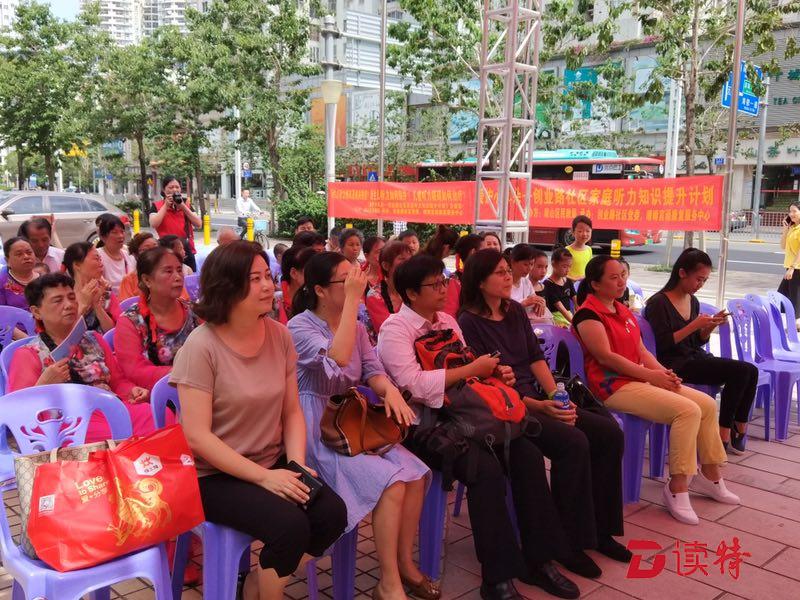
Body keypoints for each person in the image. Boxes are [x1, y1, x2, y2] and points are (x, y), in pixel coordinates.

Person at [378, 254, 582, 600]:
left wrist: (494, 373)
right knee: (485, 471)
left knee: (527, 454)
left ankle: (539, 559)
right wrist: (473, 370)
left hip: (470, 415)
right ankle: (497, 578)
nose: (444, 289)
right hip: (426, 426)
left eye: (444, 282)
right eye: (435, 285)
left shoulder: (446, 321)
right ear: (411, 293)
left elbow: (469, 369)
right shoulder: (395, 330)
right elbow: (414, 386)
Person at [171, 241, 347, 600]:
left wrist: (295, 463)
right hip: (213, 476)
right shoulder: (201, 347)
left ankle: (253, 587)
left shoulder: (279, 335)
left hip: (270, 460)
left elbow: (292, 411)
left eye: (268, 275)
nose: (268, 285)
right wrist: (265, 477)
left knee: (332, 514)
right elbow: (197, 437)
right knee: (289, 526)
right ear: (227, 285)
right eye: (255, 279)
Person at [458, 250, 629, 578]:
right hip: (508, 407)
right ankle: (570, 540)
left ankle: (600, 530)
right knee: (573, 442)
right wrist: (539, 406)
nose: (508, 277)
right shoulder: (468, 323)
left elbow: (536, 358)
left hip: (537, 396)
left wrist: (556, 397)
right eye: (500, 273)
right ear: (480, 282)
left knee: (608, 433)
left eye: (507, 271)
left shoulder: (513, 311)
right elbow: (489, 383)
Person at [288, 252, 436, 600]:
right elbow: (338, 358)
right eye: (347, 280)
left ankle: (403, 563)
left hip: (350, 421)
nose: (357, 283)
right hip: (314, 428)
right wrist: (355, 299)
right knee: (391, 482)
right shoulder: (299, 327)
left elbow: (373, 369)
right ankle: (389, 583)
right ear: (320, 290)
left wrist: (390, 393)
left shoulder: (355, 326)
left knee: (415, 474)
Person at [573, 255, 738, 526]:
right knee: (687, 411)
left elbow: (641, 351)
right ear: (595, 284)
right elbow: (606, 358)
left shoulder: (621, 309)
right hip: (612, 386)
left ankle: (711, 476)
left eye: (623, 275)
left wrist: (664, 373)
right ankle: (677, 487)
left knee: (707, 405)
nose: (621, 282)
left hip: (637, 379)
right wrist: (651, 376)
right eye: (613, 278)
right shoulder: (588, 314)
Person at [9, 273, 157, 442]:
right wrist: (44, 384)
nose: (69, 305)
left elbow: (118, 382)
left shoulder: (94, 339)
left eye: (72, 298)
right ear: (36, 312)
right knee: (117, 434)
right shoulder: (28, 354)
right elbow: (17, 413)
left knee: (159, 415)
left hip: (110, 409)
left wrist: (132, 390)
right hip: (71, 423)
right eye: (58, 300)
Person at [645, 248, 758, 455]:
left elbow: (695, 342)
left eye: (704, 281)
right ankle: (724, 433)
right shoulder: (658, 303)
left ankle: (739, 427)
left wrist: (708, 328)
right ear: (682, 273)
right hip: (673, 364)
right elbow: (662, 344)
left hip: (693, 358)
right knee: (740, 371)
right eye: (698, 279)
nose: (700, 285)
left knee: (751, 370)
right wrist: (694, 325)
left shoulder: (692, 300)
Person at [116, 246, 200, 391]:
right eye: (168, 271)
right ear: (147, 280)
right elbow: (135, 371)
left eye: (179, 270)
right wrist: (182, 373)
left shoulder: (193, 311)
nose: (178, 277)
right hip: (157, 395)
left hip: (200, 386)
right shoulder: (130, 322)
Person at [63, 242, 120, 333]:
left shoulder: (105, 293)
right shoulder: (64, 298)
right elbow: (64, 334)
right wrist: (83, 305)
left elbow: (114, 332)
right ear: (77, 265)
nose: (101, 263)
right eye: (96, 258)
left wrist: (97, 306)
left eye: (100, 259)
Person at [149, 176, 202, 272]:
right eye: (171, 187)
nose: (174, 190)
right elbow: (154, 224)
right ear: (164, 190)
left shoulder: (186, 203)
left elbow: (198, 223)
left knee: (190, 277)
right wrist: (166, 206)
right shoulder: (157, 206)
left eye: (177, 187)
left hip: (186, 249)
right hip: (167, 249)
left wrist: (183, 207)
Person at [365, 241, 412, 338]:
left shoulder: (416, 289)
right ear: (386, 266)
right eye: (402, 259)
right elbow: (389, 333)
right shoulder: (374, 296)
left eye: (410, 259)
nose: (409, 264)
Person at [442, 233, 482, 317]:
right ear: (473, 252)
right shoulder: (454, 281)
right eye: (485, 250)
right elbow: (449, 317)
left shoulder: (488, 279)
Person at [277, 246, 318, 324]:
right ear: (294, 273)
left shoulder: (319, 301)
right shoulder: (274, 304)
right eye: (311, 271)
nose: (318, 276)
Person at [96, 215, 136, 295]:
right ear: (103, 237)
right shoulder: (97, 256)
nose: (121, 236)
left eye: (122, 231)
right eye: (114, 232)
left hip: (129, 300)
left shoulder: (129, 256)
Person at [119, 233, 159, 300]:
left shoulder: (169, 274)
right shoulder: (129, 280)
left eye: (156, 248)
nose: (153, 252)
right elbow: (126, 304)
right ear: (135, 255)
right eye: (146, 250)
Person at [542, 248, 576, 327]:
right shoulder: (548, 284)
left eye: (569, 266)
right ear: (553, 264)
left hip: (569, 316)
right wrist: (575, 323)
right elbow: (559, 307)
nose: (568, 270)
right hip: (556, 319)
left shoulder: (568, 281)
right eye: (564, 267)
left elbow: (576, 300)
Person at [779, 201, 800, 320]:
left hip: (796, 268)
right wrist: (785, 229)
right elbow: (783, 246)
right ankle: (795, 321)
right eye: (790, 211)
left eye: (794, 211)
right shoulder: (792, 228)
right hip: (791, 267)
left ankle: (796, 322)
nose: (791, 214)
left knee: (792, 297)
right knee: (784, 296)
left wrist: (792, 268)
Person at [565, 216, 592, 281]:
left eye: (588, 231)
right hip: (570, 284)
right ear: (573, 232)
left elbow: (590, 269)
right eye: (580, 231)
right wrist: (574, 279)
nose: (584, 234)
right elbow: (561, 272)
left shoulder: (589, 249)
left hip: (584, 284)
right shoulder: (567, 250)